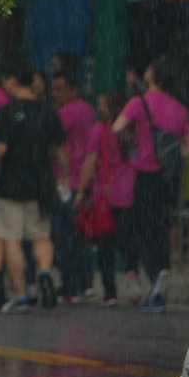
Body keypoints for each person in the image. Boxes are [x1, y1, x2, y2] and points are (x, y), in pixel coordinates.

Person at [112, 55, 189, 313]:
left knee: (141, 229)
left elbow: (117, 128)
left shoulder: (139, 103)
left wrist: (134, 139)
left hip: (144, 174)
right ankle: (162, 273)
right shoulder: (180, 109)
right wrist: (171, 158)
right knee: (161, 226)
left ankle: (155, 276)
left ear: (151, 74)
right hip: (167, 178)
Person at [0, 55, 66, 313]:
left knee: (11, 238)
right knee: (41, 234)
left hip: (12, 183)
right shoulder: (48, 111)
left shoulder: (5, 112)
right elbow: (58, 150)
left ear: (11, 81)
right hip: (42, 181)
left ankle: (21, 294)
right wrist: (65, 175)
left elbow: (0, 150)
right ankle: (44, 270)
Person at [73, 86, 135, 306]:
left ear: (108, 106)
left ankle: (110, 291)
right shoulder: (130, 129)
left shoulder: (100, 130)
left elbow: (90, 161)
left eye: (101, 103)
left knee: (106, 244)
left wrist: (81, 190)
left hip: (107, 196)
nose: (99, 107)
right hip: (130, 191)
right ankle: (132, 273)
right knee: (128, 238)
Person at [51, 69, 97, 300]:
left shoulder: (65, 113)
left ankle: (70, 283)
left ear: (72, 90)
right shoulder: (88, 111)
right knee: (81, 236)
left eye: (60, 89)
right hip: (85, 180)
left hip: (67, 180)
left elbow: (54, 145)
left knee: (66, 235)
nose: (55, 94)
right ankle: (86, 282)